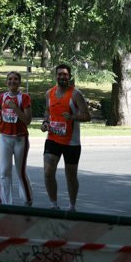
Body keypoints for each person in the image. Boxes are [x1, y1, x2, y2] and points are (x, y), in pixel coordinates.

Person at [41, 63, 91, 211]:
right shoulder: (49, 93)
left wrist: (71, 117)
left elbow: (87, 116)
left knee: (71, 176)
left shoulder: (75, 94)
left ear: (69, 76)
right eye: (60, 74)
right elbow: (47, 111)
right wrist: (45, 122)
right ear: (55, 76)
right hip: (53, 138)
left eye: (65, 74)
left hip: (71, 142)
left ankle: (72, 206)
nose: (62, 77)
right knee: (48, 172)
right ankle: (53, 205)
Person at [0, 71, 34, 206]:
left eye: (15, 79)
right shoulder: (3, 96)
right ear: (6, 82)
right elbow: (5, 114)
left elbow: (27, 120)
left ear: (19, 83)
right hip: (4, 138)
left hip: (19, 139)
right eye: (10, 79)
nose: (12, 81)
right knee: (4, 172)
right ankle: (6, 204)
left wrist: (15, 107)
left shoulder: (24, 98)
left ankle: (27, 201)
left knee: (20, 172)